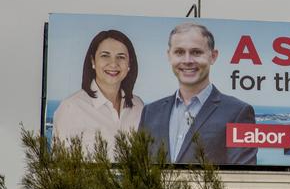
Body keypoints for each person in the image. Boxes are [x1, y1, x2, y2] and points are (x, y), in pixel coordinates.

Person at [138, 23, 257, 165]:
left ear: (213, 56)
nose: (187, 60)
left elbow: (243, 177)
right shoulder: (150, 112)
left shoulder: (238, 113)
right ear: (169, 56)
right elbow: (137, 172)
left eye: (196, 52)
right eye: (179, 52)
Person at [53, 30, 143, 156]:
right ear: (93, 61)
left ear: (129, 64)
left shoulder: (138, 106)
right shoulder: (71, 108)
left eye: (121, 57)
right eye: (105, 55)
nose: (113, 63)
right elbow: (62, 169)